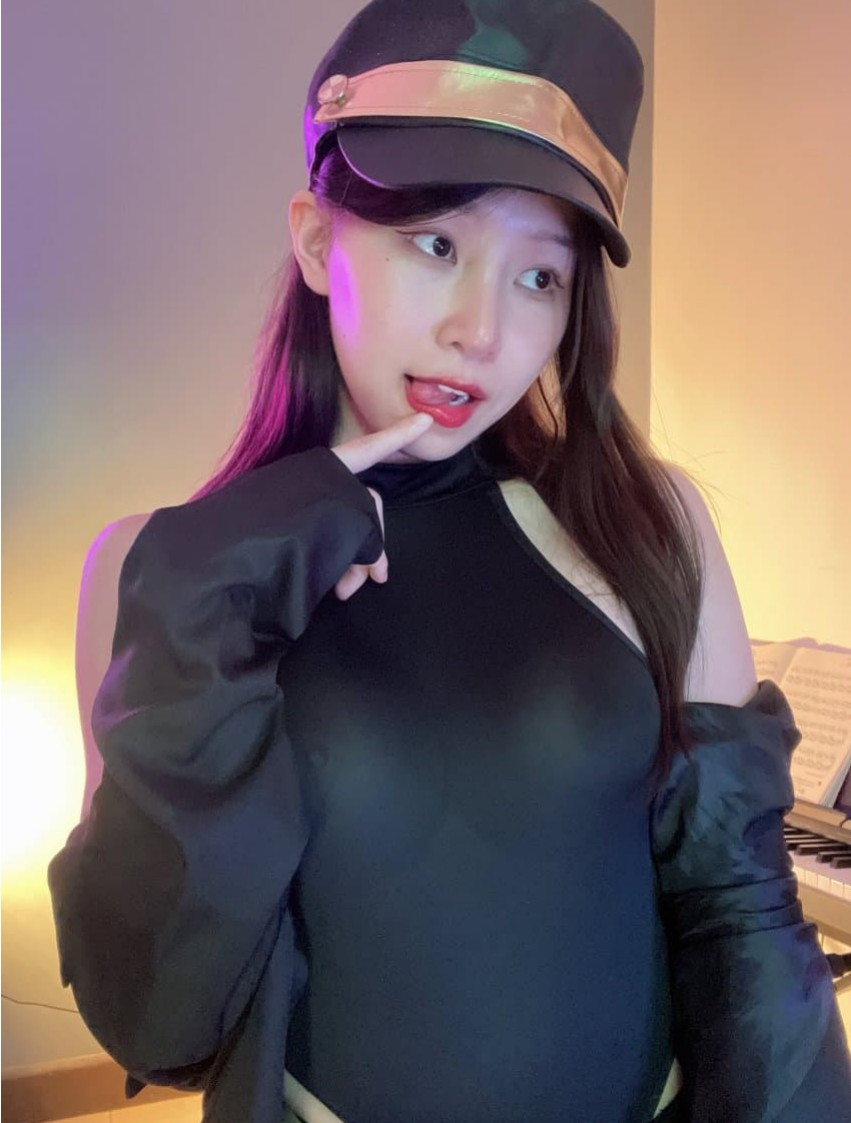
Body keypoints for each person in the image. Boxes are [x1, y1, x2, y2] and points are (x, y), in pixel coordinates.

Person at [48, 2, 851, 1121]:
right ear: (318, 241)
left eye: (539, 276)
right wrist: (203, 611)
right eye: (437, 245)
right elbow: (160, 1024)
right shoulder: (162, 568)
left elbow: (744, 923)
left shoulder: (647, 524)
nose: (483, 329)